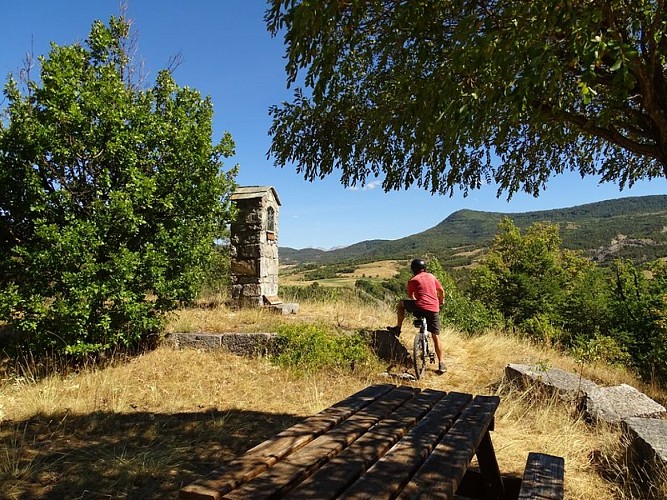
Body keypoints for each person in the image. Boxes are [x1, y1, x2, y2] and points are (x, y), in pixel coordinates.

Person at [388, 258, 447, 374]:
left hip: (419, 306)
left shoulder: (413, 279)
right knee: (436, 336)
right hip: (433, 308)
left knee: (400, 304)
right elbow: (441, 291)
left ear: (413, 270)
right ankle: (441, 363)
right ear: (424, 268)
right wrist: (441, 301)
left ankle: (398, 328)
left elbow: (411, 295)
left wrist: (417, 302)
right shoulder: (431, 276)